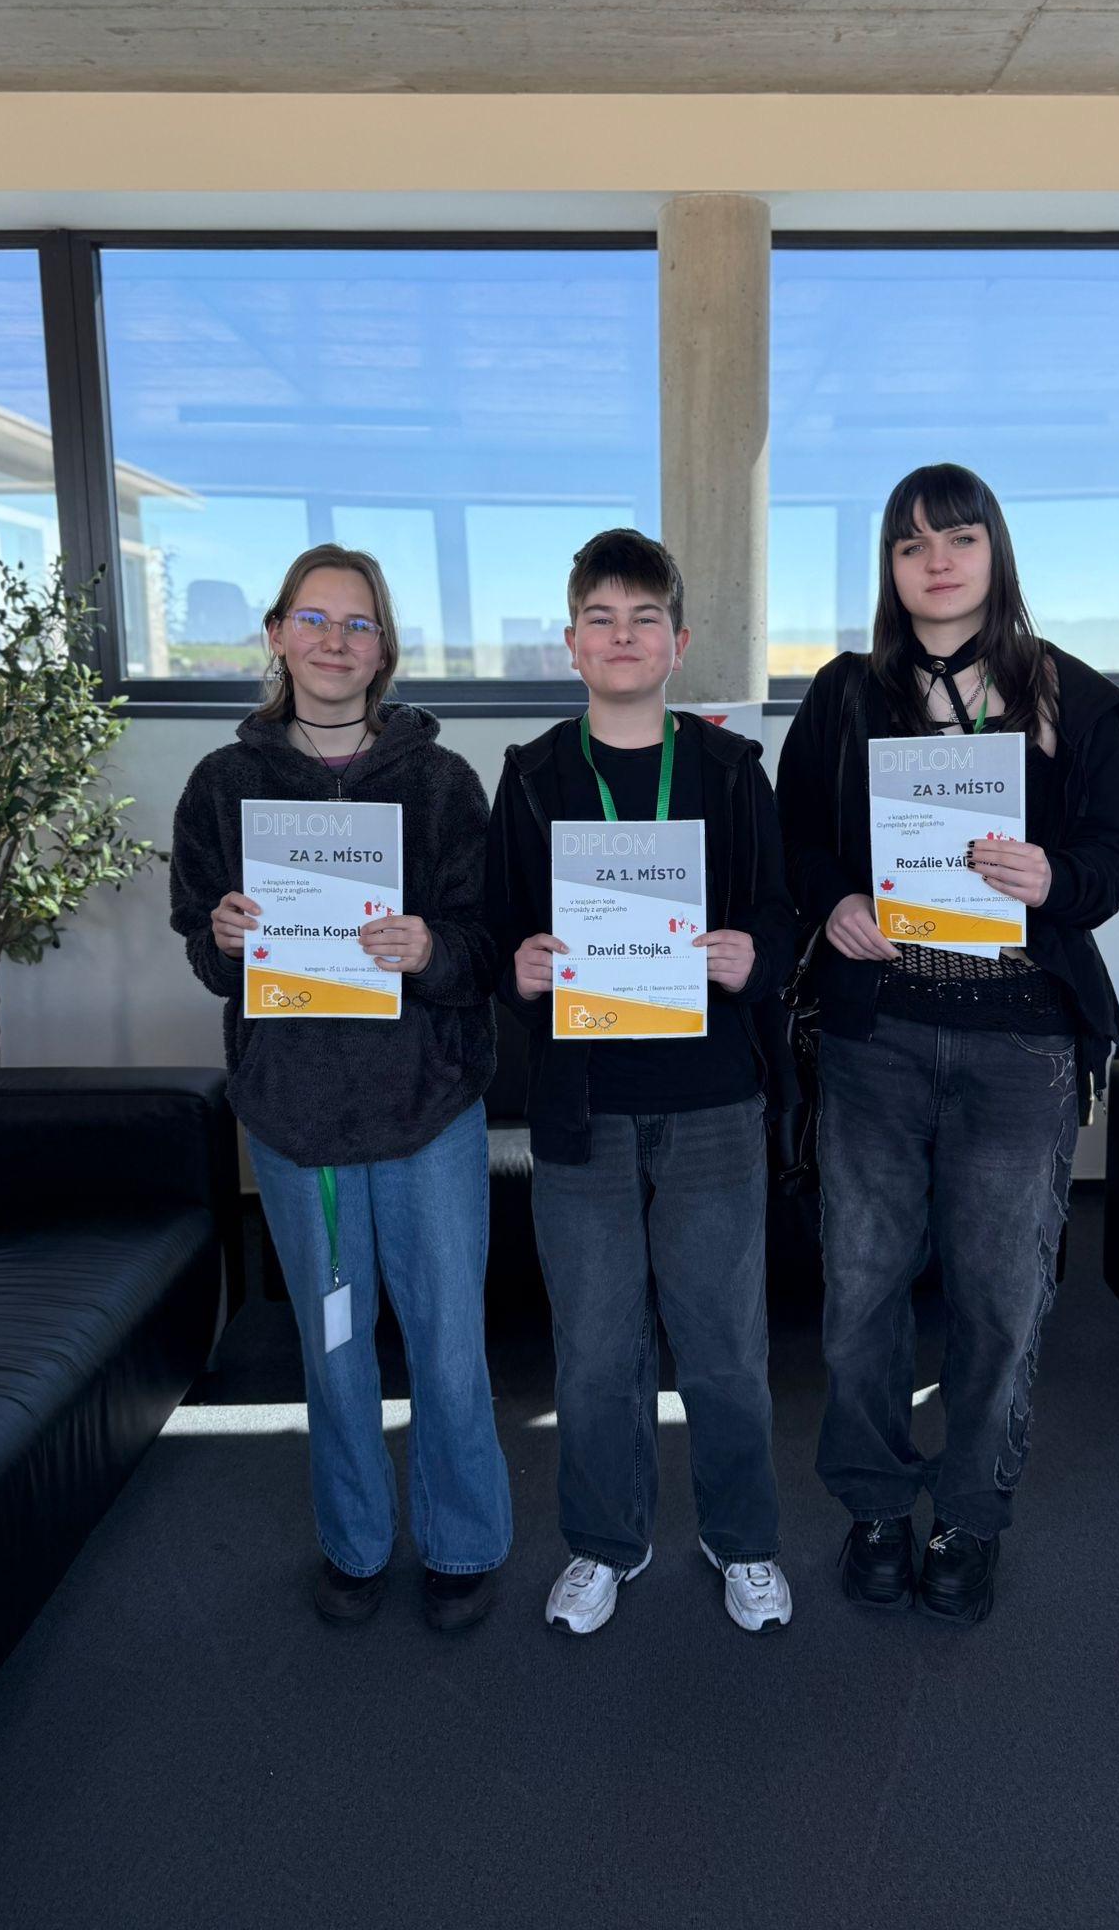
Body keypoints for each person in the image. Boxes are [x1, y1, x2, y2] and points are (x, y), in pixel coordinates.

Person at [777, 464, 1119, 1623]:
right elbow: (794, 839)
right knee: (862, 1290)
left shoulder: (1067, 694)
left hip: (1020, 1041)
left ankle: (971, 1514)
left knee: (998, 1299)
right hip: (876, 1034)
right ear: (889, 568)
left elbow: (1112, 856)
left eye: (960, 536)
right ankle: (876, 1503)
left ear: (996, 551)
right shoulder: (845, 694)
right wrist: (834, 900)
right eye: (911, 543)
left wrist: (1054, 878)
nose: (936, 559)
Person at [169, 543, 511, 1632]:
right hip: (297, 1117)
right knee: (333, 1344)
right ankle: (356, 1542)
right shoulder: (222, 785)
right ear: (276, 635)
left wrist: (431, 947)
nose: (333, 640)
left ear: (383, 647)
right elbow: (205, 948)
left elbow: (487, 946)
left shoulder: (442, 782)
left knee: (449, 1345)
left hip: (427, 1108)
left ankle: (463, 1540)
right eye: (313, 619)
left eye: (357, 623)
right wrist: (225, 938)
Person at [486, 528, 798, 1636]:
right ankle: (605, 1543)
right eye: (601, 619)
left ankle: (743, 1540)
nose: (623, 637)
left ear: (680, 642)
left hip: (712, 1097)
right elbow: (495, 929)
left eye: (644, 619)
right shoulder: (531, 776)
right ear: (571, 643)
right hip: (582, 1103)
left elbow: (781, 917)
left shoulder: (730, 770)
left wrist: (754, 955)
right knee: (594, 1351)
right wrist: (517, 966)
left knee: (724, 1347)